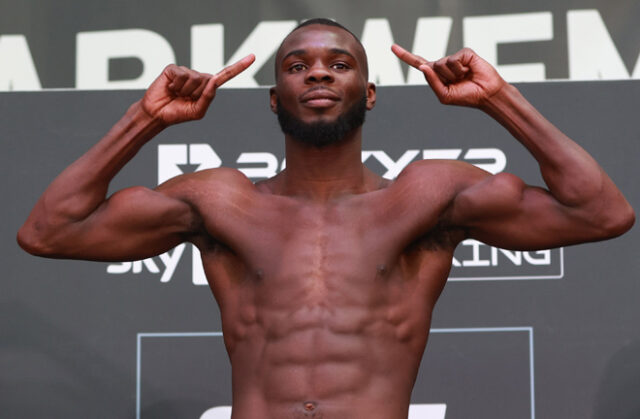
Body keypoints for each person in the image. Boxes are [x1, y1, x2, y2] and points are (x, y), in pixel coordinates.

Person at [17, 18, 634, 419]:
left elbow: (601, 211)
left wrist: (498, 98)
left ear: (368, 93)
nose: (317, 71)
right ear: (273, 97)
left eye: (339, 64)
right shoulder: (222, 203)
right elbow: (50, 230)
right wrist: (146, 119)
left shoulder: (425, 197)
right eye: (297, 65)